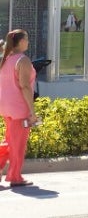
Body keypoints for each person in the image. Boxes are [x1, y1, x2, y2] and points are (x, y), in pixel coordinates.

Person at [0, 29, 37, 187]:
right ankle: (15, 177)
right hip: (19, 109)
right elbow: (25, 87)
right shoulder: (23, 60)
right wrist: (32, 112)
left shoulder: (6, 59)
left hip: (6, 107)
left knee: (9, 141)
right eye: (27, 39)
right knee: (18, 144)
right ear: (21, 42)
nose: (28, 42)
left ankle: (11, 173)